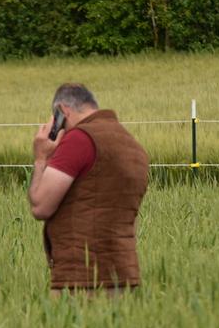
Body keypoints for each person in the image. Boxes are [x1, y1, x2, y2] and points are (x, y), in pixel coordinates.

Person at [28, 83, 149, 296]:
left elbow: (40, 206)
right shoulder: (132, 145)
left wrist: (41, 157)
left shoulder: (79, 140)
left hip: (81, 278)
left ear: (63, 111)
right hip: (124, 274)